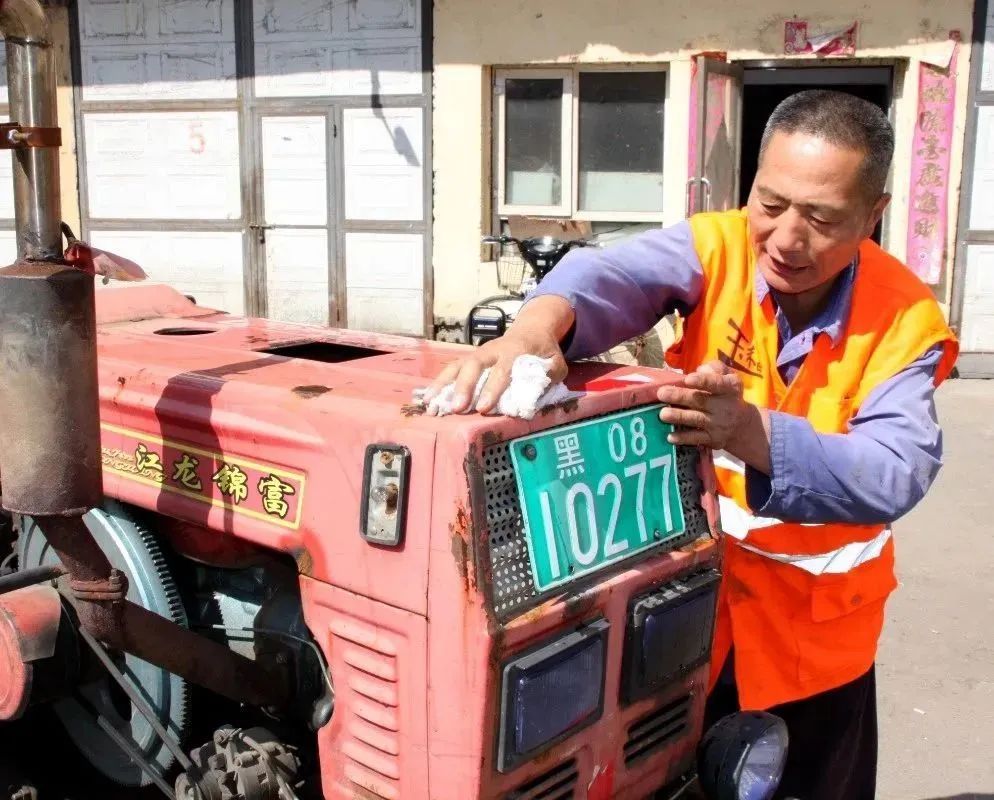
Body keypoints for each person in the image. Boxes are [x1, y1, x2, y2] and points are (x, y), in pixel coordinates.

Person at [427, 89, 959, 799]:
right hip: (685, 623)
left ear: (874, 215)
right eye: (770, 204)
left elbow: (896, 471)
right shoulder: (718, 244)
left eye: (821, 218)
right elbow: (611, 274)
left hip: (815, 654)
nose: (785, 239)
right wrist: (533, 331)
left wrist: (748, 430)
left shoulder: (905, 319)